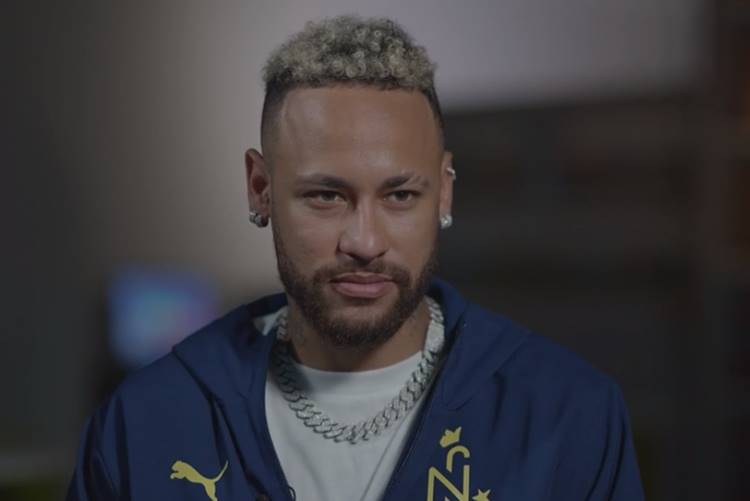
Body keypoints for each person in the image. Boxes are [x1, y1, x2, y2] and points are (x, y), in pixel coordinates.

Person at [66, 15, 644, 501]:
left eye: (400, 196)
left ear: (444, 192)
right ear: (260, 188)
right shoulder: (147, 425)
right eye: (326, 195)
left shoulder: (566, 417)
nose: (365, 242)